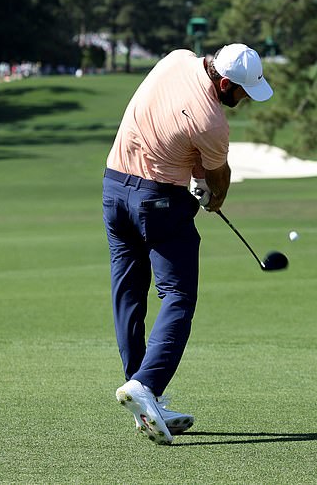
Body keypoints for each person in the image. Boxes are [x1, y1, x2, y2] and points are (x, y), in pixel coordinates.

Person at [103, 44, 273, 445]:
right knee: (178, 295)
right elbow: (217, 178)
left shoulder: (177, 58)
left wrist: (192, 173)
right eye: (244, 92)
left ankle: (145, 394)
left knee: (128, 293)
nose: (245, 99)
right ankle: (145, 385)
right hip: (157, 201)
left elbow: (175, 133)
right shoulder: (214, 123)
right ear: (227, 83)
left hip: (113, 189)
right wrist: (215, 199)